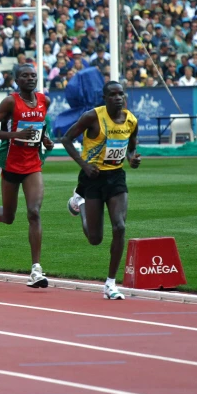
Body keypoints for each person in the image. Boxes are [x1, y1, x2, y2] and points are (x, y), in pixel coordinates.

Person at [62, 81, 141, 301]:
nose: (118, 98)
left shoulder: (131, 120)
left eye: (121, 94)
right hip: (92, 177)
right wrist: (84, 165)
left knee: (120, 225)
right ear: (105, 98)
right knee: (95, 238)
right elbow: (66, 139)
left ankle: (110, 283)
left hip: (116, 177)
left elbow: (131, 146)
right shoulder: (92, 117)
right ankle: (80, 203)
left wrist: (132, 158)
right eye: (113, 95)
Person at [0, 65, 54, 288]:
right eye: (25, 75)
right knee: (9, 216)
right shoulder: (10, 102)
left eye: (33, 75)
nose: (30, 78)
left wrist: (45, 140)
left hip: (32, 164)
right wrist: (15, 135)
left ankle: (36, 269)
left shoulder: (44, 101)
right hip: (10, 162)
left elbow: (41, 127)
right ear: (16, 80)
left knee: (34, 212)